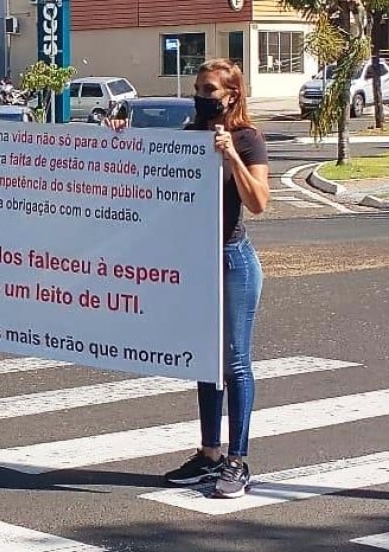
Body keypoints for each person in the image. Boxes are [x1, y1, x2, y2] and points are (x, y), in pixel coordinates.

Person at [159, 59, 270, 498]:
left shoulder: (248, 140)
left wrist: (230, 157)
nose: (201, 97)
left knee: (235, 360)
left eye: (209, 90)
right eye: (197, 89)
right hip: (197, 261)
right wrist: (119, 139)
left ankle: (238, 462)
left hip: (233, 259)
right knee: (205, 359)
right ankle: (209, 455)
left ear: (231, 95)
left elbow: (259, 201)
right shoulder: (190, 138)